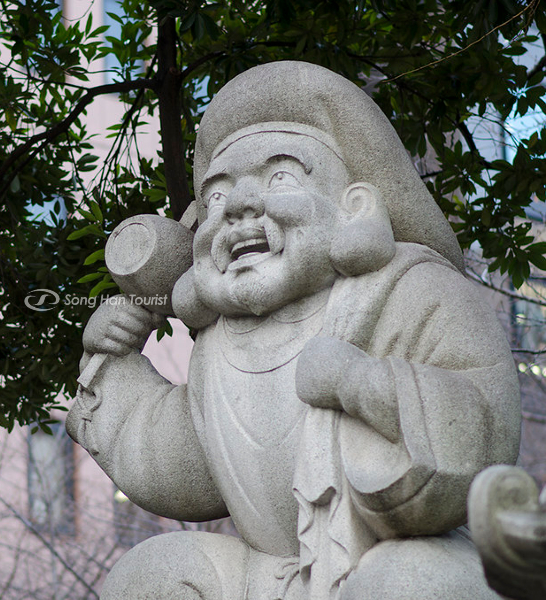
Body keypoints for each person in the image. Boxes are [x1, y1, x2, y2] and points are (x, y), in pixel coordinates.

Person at [66, 61, 521, 600]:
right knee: (148, 575)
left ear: (353, 208)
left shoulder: (414, 291)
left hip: (390, 561)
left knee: (412, 581)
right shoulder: (220, 345)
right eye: (215, 196)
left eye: (279, 177)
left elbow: (486, 428)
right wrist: (114, 365)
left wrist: (360, 382)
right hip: (269, 575)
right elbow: (175, 460)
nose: (236, 206)